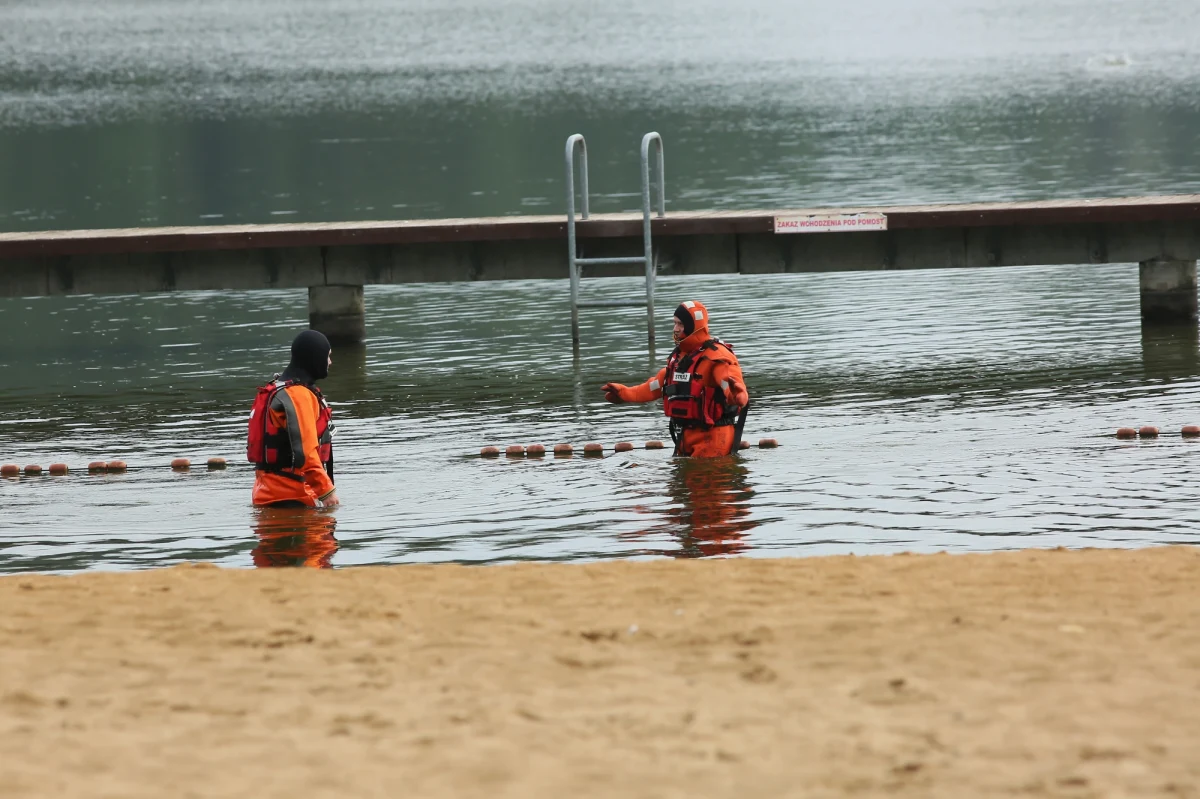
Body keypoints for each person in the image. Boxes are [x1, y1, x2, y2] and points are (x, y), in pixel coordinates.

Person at [601, 300, 750, 457]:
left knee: (707, 479)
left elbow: (728, 381)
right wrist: (624, 393)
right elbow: (655, 386)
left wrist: (736, 395)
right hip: (685, 437)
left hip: (714, 438)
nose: (675, 329)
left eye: (680, 324)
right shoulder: (679, 357)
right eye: (675, 323)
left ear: (694, 325)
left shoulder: (716, 356)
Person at [248, 330, 340, 508]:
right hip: (293, 497)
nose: (330, 362)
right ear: (314, 358)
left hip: (267, 495)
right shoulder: (298, 395)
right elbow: (306, 452)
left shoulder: (276, 388)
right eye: (327, 356)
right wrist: (326, 491)